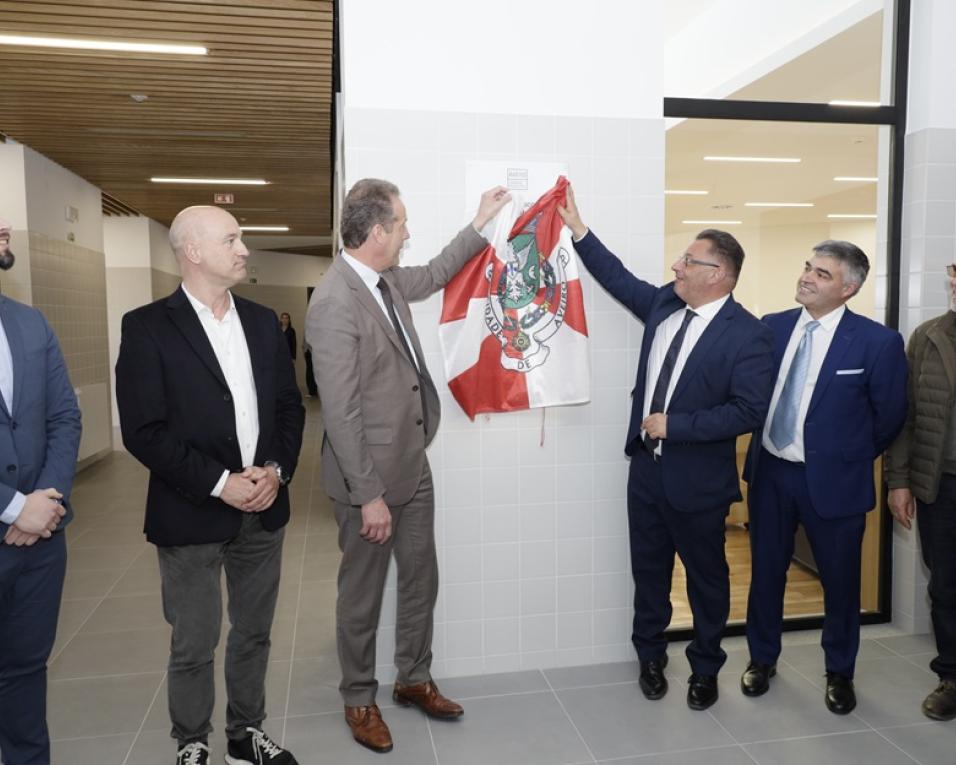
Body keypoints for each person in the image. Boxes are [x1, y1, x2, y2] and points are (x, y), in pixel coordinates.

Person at [307, 178, 509, 753]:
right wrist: (368, 494)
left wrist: (480, 221)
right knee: (362, 596)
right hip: (366, 482)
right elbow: (341, 415)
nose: (407, 233)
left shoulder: (387, 280)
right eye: (401, 225)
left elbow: (437, 271)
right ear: (377, 233)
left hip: (412, 467)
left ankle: (413, 678)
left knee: (422, 577)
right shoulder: (333, 301)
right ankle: (359, 699)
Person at [557, 188, 774, 711]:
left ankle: (704, 667)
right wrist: (579, 231)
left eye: (688, 260)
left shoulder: (748, 335)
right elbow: (618, 279)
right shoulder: (664, 303)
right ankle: (650, 657)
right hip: (646, 475)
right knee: (648, 572)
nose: (676, 265)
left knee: (706, 580)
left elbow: (749, 410)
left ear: (717, 274)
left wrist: (676, 426)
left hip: (698, 481)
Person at [115, 206, 305, 765]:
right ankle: (192, 742)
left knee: (254, 633)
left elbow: (289, 409)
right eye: (232, 239)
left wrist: (274, 471)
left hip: (263, 507)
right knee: (194, 642)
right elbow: (144, 432)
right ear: (193, 251)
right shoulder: (147, 326)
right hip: (192, 509)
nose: (244, 249)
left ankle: (246, 736)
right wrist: (221, 483)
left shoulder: (263, 321)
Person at [740, 240, 907, 715]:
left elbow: (890, 416)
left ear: (849, 288)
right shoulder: (771, 328)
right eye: (808, 267)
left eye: (823, 274)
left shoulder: (877, 342)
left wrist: (845, 457)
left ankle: (839, 671)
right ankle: (761, 659)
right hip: (771, 473)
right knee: (767, 575)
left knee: (840, 582)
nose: (807, 277)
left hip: (835, 482)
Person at [0, 217, 82, 765]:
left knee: (25, 674)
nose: (4, 225)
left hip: (38, 546)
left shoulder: (28, 324)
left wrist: (43, 504)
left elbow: (64, 416)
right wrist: (12, 507)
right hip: (16, 519)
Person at [885, 263, 956, 722]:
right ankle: (951, 676)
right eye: (953, 280)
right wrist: (899, 480)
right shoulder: (928, 336)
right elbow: (905, 416)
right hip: (941, 484)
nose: (953, 287)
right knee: (947, 585)